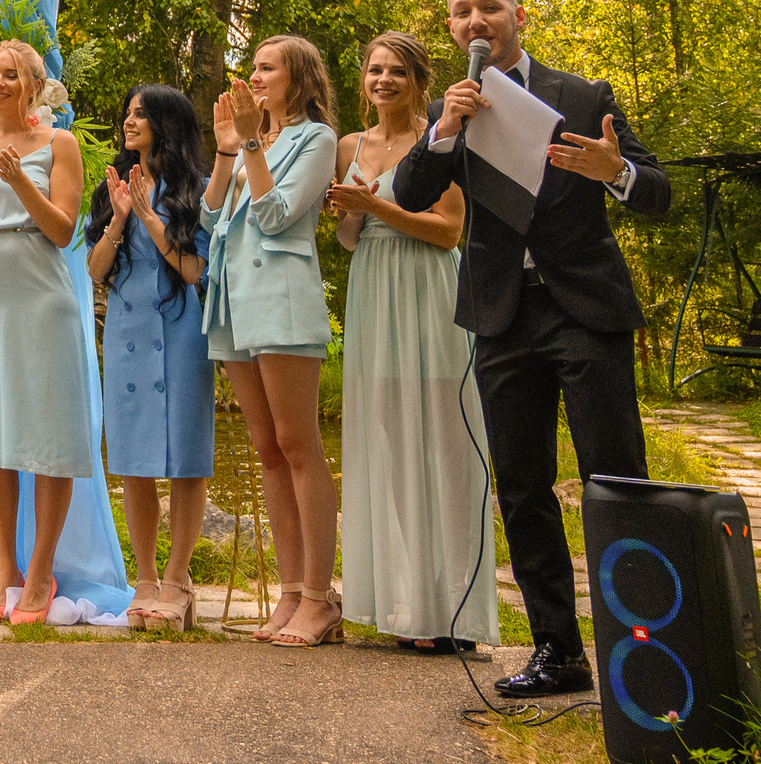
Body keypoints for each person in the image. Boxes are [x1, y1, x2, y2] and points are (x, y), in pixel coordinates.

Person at [391, 0, 669, 699]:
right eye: (461, 13)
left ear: (521, 15)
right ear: (451, 29)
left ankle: (641, 644)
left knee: (616, 478)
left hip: (583, 311)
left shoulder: (580, 95)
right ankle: (559, 651)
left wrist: (617, 173)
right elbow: (410, 193)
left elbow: (659, 192)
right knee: (521, 486)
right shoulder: (452, 110)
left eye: (489, 7)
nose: (475, 21)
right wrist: (445, 131)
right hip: (501, 315)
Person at [326, 32, 496, 654]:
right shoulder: (350, 145)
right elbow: (350, 238)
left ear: (419, 81)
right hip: (374, 291)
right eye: (374, 70)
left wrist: (377, 206)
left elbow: (448, 232)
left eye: (397, 71)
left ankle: (453, 613)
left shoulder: (439, 139)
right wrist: (348, 211)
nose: (383, 80)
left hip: (427, 293)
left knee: (442, 449)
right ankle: (406, 603)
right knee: (391, 448)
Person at [0, 39, 97, 627]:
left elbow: (62, 230)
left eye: (10, 75)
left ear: (34, 87)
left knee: (48, 431)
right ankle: (3, 568)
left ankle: (40, 571)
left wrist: (19, 181)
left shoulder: (61, 144)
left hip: (40, 292)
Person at [202, 34, 341, 648]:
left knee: (297, 441)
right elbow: (212, 218)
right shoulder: (254, 140)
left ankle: (320, 597)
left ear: (299, 78)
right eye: (253, 67)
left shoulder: (317, 139)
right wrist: (228, 152)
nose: (253, 77)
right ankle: (288, 595)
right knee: (267, 448)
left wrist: (253, 141)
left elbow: (278, 214)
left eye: (267, 68)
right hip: (232, 304)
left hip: (282, 300)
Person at [86, 84, 212, 631]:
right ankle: (144, 578)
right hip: (127, 329)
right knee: (134, 457)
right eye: (128, 111)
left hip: (183, 329)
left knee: (186, 455)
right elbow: (94, 271)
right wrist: (118, 218)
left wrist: (153, 221)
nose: (129, 120)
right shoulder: (112, 186)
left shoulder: (199, 191)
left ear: (168, 123)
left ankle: (179, 581)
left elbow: (193, 272)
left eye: (141, 113)